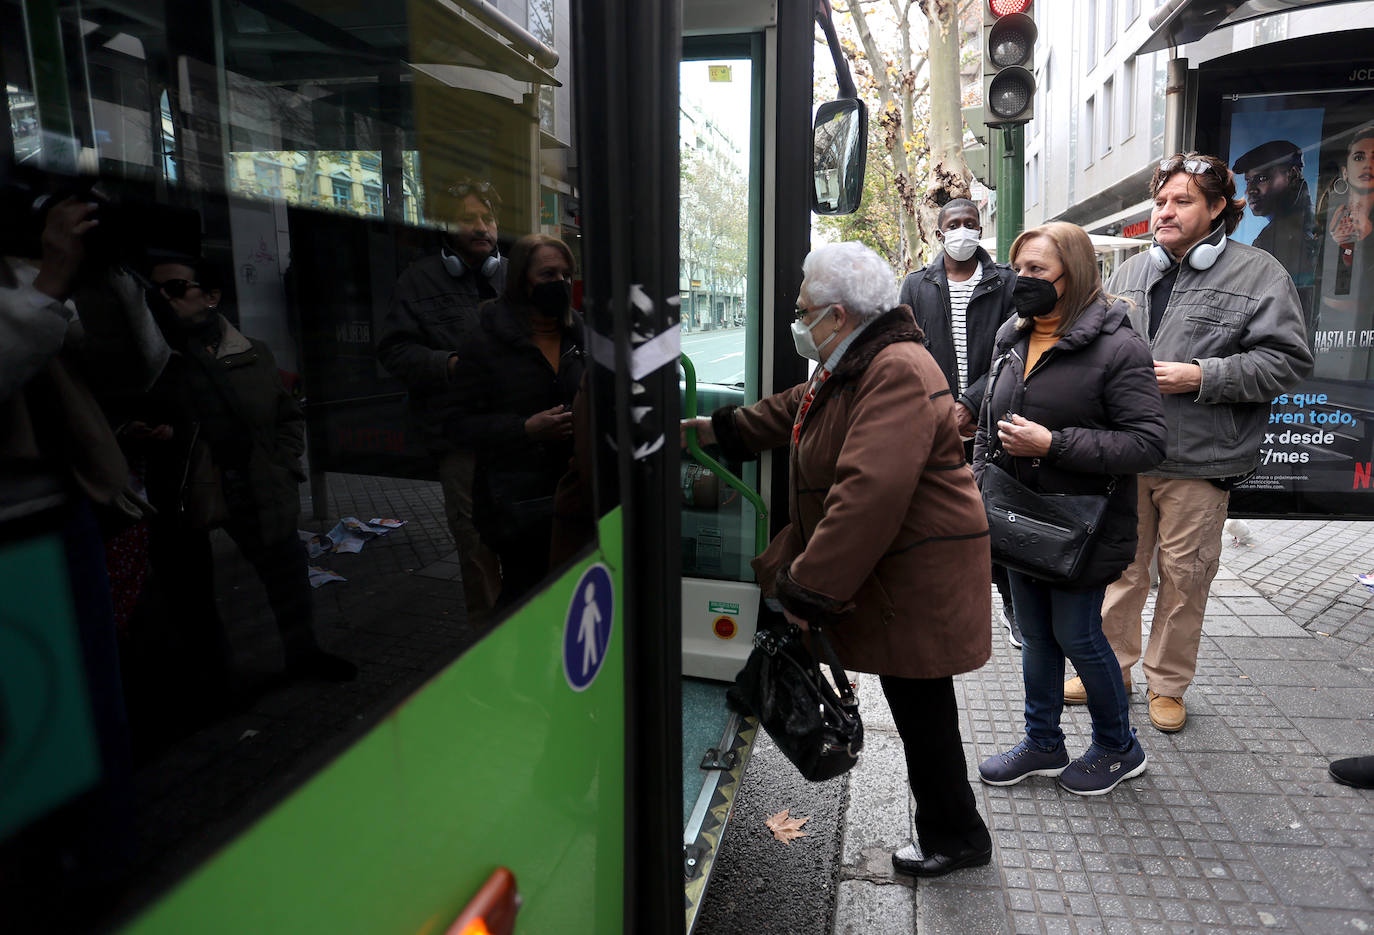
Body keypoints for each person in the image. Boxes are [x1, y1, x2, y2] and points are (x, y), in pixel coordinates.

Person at [682, 241, 994, 878]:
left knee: (923, 710)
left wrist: (807, 592)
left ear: (839, 316)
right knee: (919, 706)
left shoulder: (895, 369)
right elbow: (797, 409)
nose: (798, 323)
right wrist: (716, 431)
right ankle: (953, 828)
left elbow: (869, 492)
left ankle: (957, 836)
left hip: (916, 578)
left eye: (803, 312)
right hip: (900, 571)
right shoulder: (854, 363)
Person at [1073, 152, 1313, 732]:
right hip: (1127, 455)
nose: (1166, 212)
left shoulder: (1261, 274)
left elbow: (1287, 362)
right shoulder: (1130, 273)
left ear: (1216, 211)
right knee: (1122, 570)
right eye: (1160, 202)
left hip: (1201, 459)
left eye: (1182, 201)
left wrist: (1201, 376)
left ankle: (1168, 684)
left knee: (1185, 576)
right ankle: (1112, 669)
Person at [973, 222, 1166, 796]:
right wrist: (981, 475)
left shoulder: (1119, 345)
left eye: (1038, 271)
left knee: (1078, 636)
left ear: (1073, 274)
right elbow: (990, 414)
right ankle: (1043, 742)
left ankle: (1118, 747)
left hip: (1083, 525)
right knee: (1034, 634)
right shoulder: (1014, 334)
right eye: (1020, 269)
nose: (1023, 281)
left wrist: (1054, 444)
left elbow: (1147, 443)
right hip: (1019, 517)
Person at [146, 258, 356, 682]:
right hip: (184, 489)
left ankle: (304, 655)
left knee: (285, 573)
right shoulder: (151, 356)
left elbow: (287, 414)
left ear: (211, 296)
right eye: (153, 292)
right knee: (189, 589)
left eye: (174, 287)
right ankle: (214, 678)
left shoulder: (251, 351)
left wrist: (283, 464)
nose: (162, 299)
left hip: (255, 481)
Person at [378, 179, 506, 618]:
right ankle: (491, 641)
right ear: (447, 227)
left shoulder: (513, 276)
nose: (480, 227)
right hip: (459, 439)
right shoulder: (418, 280)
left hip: (518, 433)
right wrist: (448, 365)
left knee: (524, 533)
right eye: (468, 218)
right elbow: (394, 353)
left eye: (486, 218)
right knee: (474, 543)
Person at [898, 197, 1020, 647]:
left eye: (971, 223)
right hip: (936, 423)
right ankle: (940, 608)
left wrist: (970, 401)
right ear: (938, 232)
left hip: (994, 418)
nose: (963, 231)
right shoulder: (916, 285)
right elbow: (906, 351)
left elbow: (1016, 351)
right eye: (954, 224)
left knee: (1000, 516)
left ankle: (1012, 608)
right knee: (939, 518)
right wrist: (938, 406)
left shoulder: (1005, 281)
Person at [447, 234, 584, 608]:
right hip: (518, 506)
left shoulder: (580, 333)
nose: (560, 283)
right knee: (526, 600)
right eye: (548, 274)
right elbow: (459, 424)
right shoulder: (485, 339)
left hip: (574, 500)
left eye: (566, 274)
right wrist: (524, 429)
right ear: (521, 279)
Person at [1232, 140, 1317, 325]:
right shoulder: (1305, 224)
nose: (1250, 190)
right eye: (1248, 181)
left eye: (1262, 178)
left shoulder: (1279, 238)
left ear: (1293, 174)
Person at [1317, 123, 1374, 308]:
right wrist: (1340, 248)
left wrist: (1367, 239)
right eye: (1359, 157)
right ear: (1345, 172)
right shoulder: (1328, 218)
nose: (1368, 165)